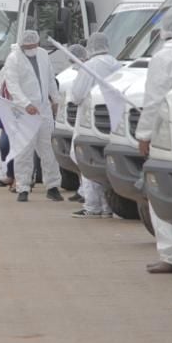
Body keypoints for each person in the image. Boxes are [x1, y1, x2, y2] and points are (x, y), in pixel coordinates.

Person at [137, 10, 172, 274]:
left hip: (166, 132)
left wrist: (144, 135)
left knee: (160, 190)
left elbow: (154, 99)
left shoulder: (162, 56)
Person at [0, 30, 63, 203]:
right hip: (24, 112)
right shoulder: (14, 59)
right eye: (28, 47)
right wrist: (26, 104)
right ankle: (23, 187)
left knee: (48, 149)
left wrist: (55, 99)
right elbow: (12, 85)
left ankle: (52, 186)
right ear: (22, 45)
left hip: (44, 109)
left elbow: (50, 79)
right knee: (24, 151)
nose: (31, 49)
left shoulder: (43, 55)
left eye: (34, 46)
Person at [68, 34, 118, 218]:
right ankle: (108, 206)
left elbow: (77, 95)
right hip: (113, 120)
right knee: (104, 163)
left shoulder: (89, 65)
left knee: (84, 159)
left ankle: (92, 205)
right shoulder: (116, 63)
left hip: (89, 120)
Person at [64, 43, 89, 204]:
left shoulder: (86, 70)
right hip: (86, 118)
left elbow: (76, 96)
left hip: (85, 118)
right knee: (78, 155)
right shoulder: (89, 68)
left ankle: (88, 196)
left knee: (78, 154)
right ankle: (83, 190)